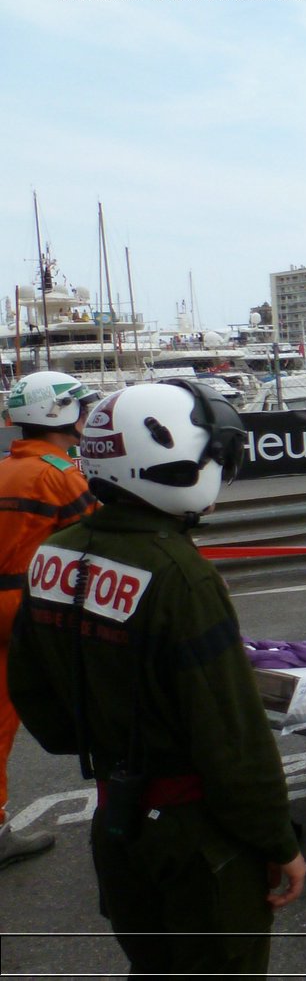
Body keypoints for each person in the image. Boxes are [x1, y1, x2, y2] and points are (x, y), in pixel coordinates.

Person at [9, 381, 305, 976]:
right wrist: (279, 842)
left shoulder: (53, 556)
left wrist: (105, 738)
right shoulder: (181, 576)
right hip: (194, 833)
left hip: (115, 816)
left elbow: (33, 692)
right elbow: (232, 739)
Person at [0, 372, 100, 869]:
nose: (86, 416)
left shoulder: (6, 469)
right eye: (79, 407)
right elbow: (102, 536)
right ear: (58, 413)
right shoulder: (60, 473)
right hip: (24, 610)